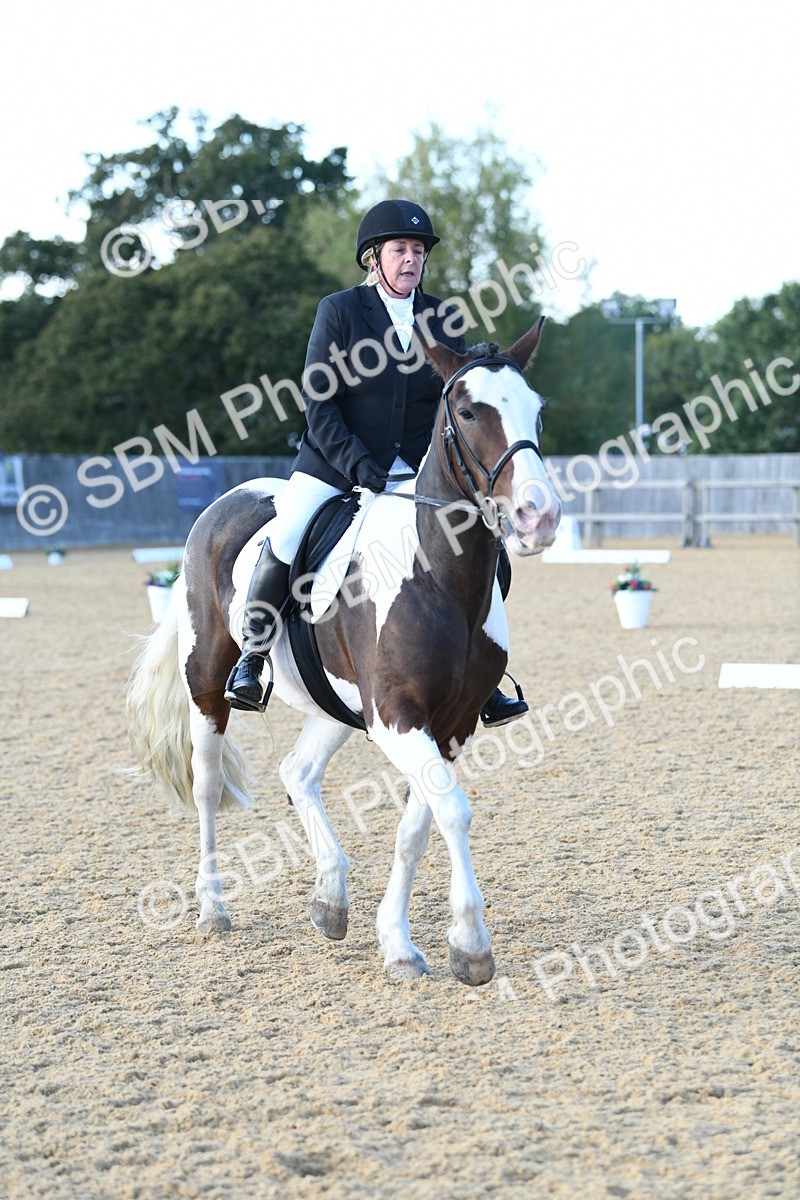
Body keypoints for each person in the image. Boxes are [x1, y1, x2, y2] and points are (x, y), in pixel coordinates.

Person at [225, 198, 528, 728]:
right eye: (399, 250)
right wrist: (360, 465)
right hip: (335, 464)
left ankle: (482, 677)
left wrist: (481, 365)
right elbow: (319, 402)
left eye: (417, 251)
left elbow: (456, 398)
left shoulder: (441, 317)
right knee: (290, 532)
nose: (410, 259)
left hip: (414, 473)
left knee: (483, 547)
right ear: (374, 257)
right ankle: (252, 657)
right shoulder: (339, 311)